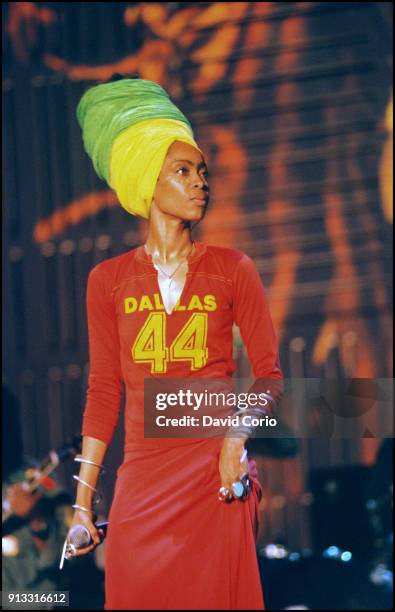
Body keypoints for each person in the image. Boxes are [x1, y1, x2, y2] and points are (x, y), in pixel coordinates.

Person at [68, 76, 283, 610]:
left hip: (213, 473)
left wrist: (235, 440)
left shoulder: (233, 269)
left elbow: (270, 374)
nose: (199, 183)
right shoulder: (107, 280)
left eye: (202, 172)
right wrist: (81, 504)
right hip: (143, 478)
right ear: (147, 180)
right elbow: (103, 392)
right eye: (182, 171)